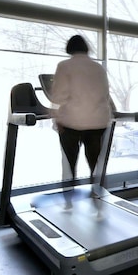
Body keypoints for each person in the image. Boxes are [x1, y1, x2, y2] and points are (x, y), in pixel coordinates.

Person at [51, 35, 113, 209]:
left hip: (72, 122)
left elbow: (59, 95)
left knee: (70, 165)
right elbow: (105, 94)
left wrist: (56, 116)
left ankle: (69, 203)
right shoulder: (98, 67)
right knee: (95, 165)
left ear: (70, 48)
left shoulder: (64, 66)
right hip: (98, 123)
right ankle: (99, 201)